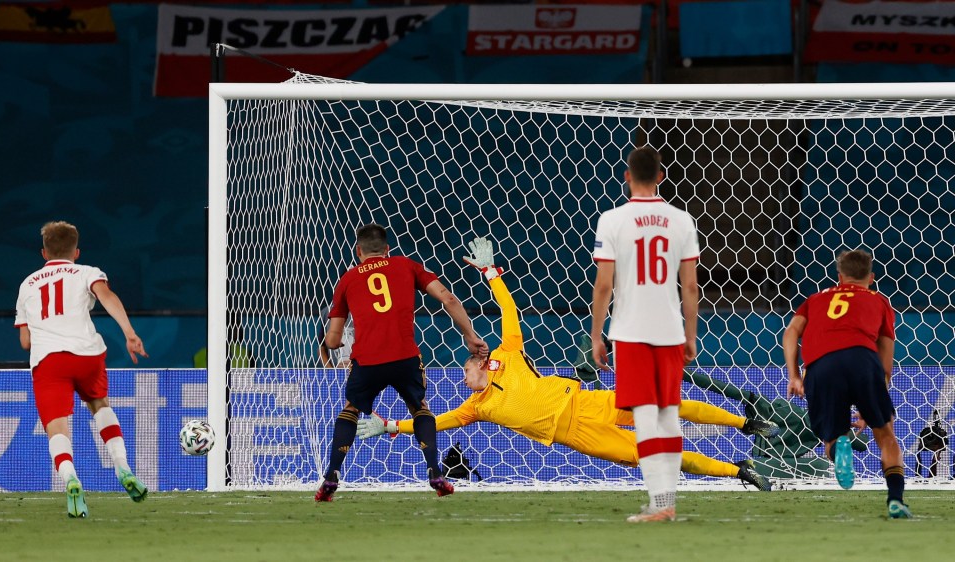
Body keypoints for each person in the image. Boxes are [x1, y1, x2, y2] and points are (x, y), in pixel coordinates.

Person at [357, 238, 775, 491]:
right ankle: (739, 470)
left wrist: (490, 273)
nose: (461, 379)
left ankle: (745, 423)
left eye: (463, 371)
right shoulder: (476, 409)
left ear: (478, 362)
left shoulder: (507, 355)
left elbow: (508, 311)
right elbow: (437, 422)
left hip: (585, 403)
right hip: (575, 436)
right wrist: (393, 426)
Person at [314, 224, 489, 501]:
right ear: (387, 249)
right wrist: (469, 335)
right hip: (405, 357)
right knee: (419, 408)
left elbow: (333, 340)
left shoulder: (347, 280)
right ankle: (434, 470)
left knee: (351, 409)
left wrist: (338, 336)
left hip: (367, 360)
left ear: (358, 251)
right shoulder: (406, 265)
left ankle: (332, 475)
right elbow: (448, 297)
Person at [590, 146, 700, 522]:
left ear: (626, 176)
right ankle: (666, 502)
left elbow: (604, 285)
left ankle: (660, 503)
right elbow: (690, 287)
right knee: (669, 414)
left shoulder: (612, 220)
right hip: (670, 330)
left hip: (631, 330)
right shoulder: (682, 220)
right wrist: (691, 334)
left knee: (645, 416)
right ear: (661, 176)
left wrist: (596, 335)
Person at [14, 221, 149, 518]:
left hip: (49, 361)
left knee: (56, 427)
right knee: (100, 405)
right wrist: (129, 332)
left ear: (43, 252)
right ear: (76, 251)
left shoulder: (27, 284)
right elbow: (107, 297)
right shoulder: (87, 271)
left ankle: (71, 479)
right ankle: (123, 467)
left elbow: (25, 341)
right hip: (87, 354)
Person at [784, 249, 911, 518]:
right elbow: (885, 362)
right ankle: (896, 500)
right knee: (886, 434)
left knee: (832, 437)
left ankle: (840, 445)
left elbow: (791, 332)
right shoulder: (880, 301)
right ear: (872, 277)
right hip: (862, 360)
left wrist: (795, 376)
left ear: (840, 277)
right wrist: (872, 399)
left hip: (820, 365)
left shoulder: (816, 299)